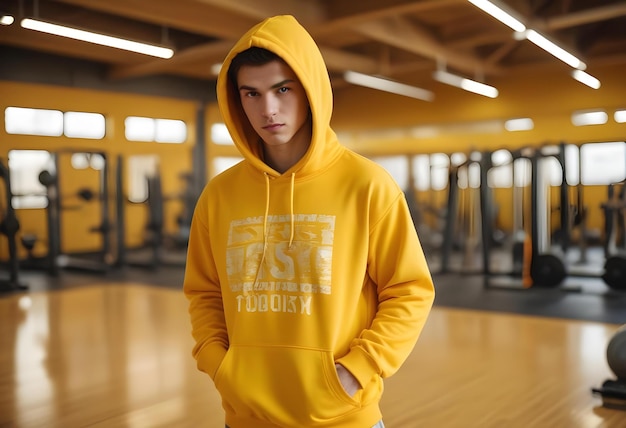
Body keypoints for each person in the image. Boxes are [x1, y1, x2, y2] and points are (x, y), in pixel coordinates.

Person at [183, 14, 435, 428]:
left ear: (311, 89)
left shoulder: (367, 185)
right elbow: (205, 292)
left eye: (283, 89)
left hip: (342, 417)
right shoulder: (219, 195)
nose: (268, 109)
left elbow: (410, 290)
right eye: (251, 93)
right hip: (245, 416)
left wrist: (355, 371)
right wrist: (218, 363)